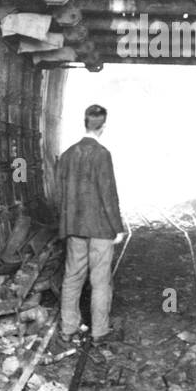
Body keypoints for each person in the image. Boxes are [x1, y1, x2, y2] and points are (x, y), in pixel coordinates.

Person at [56, 104, 124, 345]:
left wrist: (65, 226)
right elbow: (108, 194)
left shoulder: (67, 155)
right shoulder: (102, 154)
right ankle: (98, 332)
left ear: (85, 123)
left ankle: (68, 328)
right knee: (100, 281)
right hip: (101, 230)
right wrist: (117, 227)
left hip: (75, 229)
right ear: (103, 127)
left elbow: (60, 195)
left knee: (72, 278)